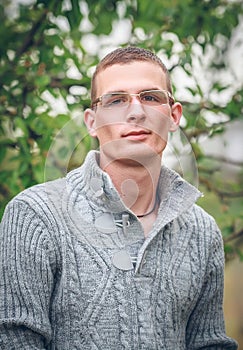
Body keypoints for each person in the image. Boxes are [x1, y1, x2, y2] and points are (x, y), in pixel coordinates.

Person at [0, 46, 238, 350]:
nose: (136, 112)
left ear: (174, 116)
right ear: (91, 121)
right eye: (116, 100)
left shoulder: (203, 232)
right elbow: (14, 341)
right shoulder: (34, 215)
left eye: (150, 97)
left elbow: (210, 344)